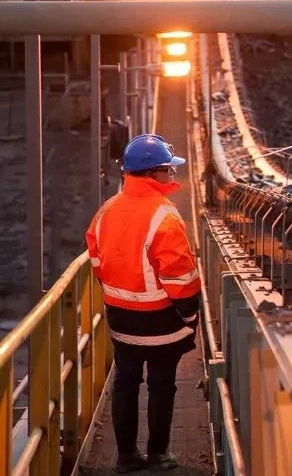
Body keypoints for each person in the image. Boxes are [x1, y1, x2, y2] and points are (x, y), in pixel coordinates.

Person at [86, 134, 201, 472]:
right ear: (152, 174)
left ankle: (125, 457)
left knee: (126, 381)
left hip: (121, 319)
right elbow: (180, 278)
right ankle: (158, 454)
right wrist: (189, 315)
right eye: (168, 169)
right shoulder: (163, 215)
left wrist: (119, 293)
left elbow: (96, 261)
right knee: (161, 384)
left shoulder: (106, 211)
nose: (172, 175)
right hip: (160, 321)